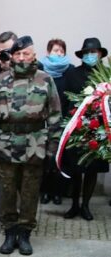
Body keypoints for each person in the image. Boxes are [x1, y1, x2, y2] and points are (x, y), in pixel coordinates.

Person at [0, 36, 62, 256]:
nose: (21, 57)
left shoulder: (45, 80)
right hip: (5, 144)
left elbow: (54, 115)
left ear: (34, 55)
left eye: (26, 53)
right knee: (6, 190)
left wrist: (52, 147)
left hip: (34, 144)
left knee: (30, 191)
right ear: (11, 56)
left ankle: (24, 233)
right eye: (17, 54)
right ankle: (10, 232)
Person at [62, 37, 110, 221]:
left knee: (92, 169)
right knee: (76, 168)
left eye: (94, 52)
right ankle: (74, 205)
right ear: (82, 55)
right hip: (77, 128)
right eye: (87, 53)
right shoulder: (72, 74)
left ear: (100, 54)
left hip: (99, 130)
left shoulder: (107, 74)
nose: (91, 55)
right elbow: (65, 100)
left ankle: (86, 206)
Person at [38, 39, 72, 205]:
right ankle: (44, 192)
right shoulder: (40, 69)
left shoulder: (70, 71)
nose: (59, 54)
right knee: (45, 159)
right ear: (48, 52)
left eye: (61, 51)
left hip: (64, 122)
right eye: (55, 50)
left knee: (60, 159)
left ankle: (57, 192)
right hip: (43, 122)